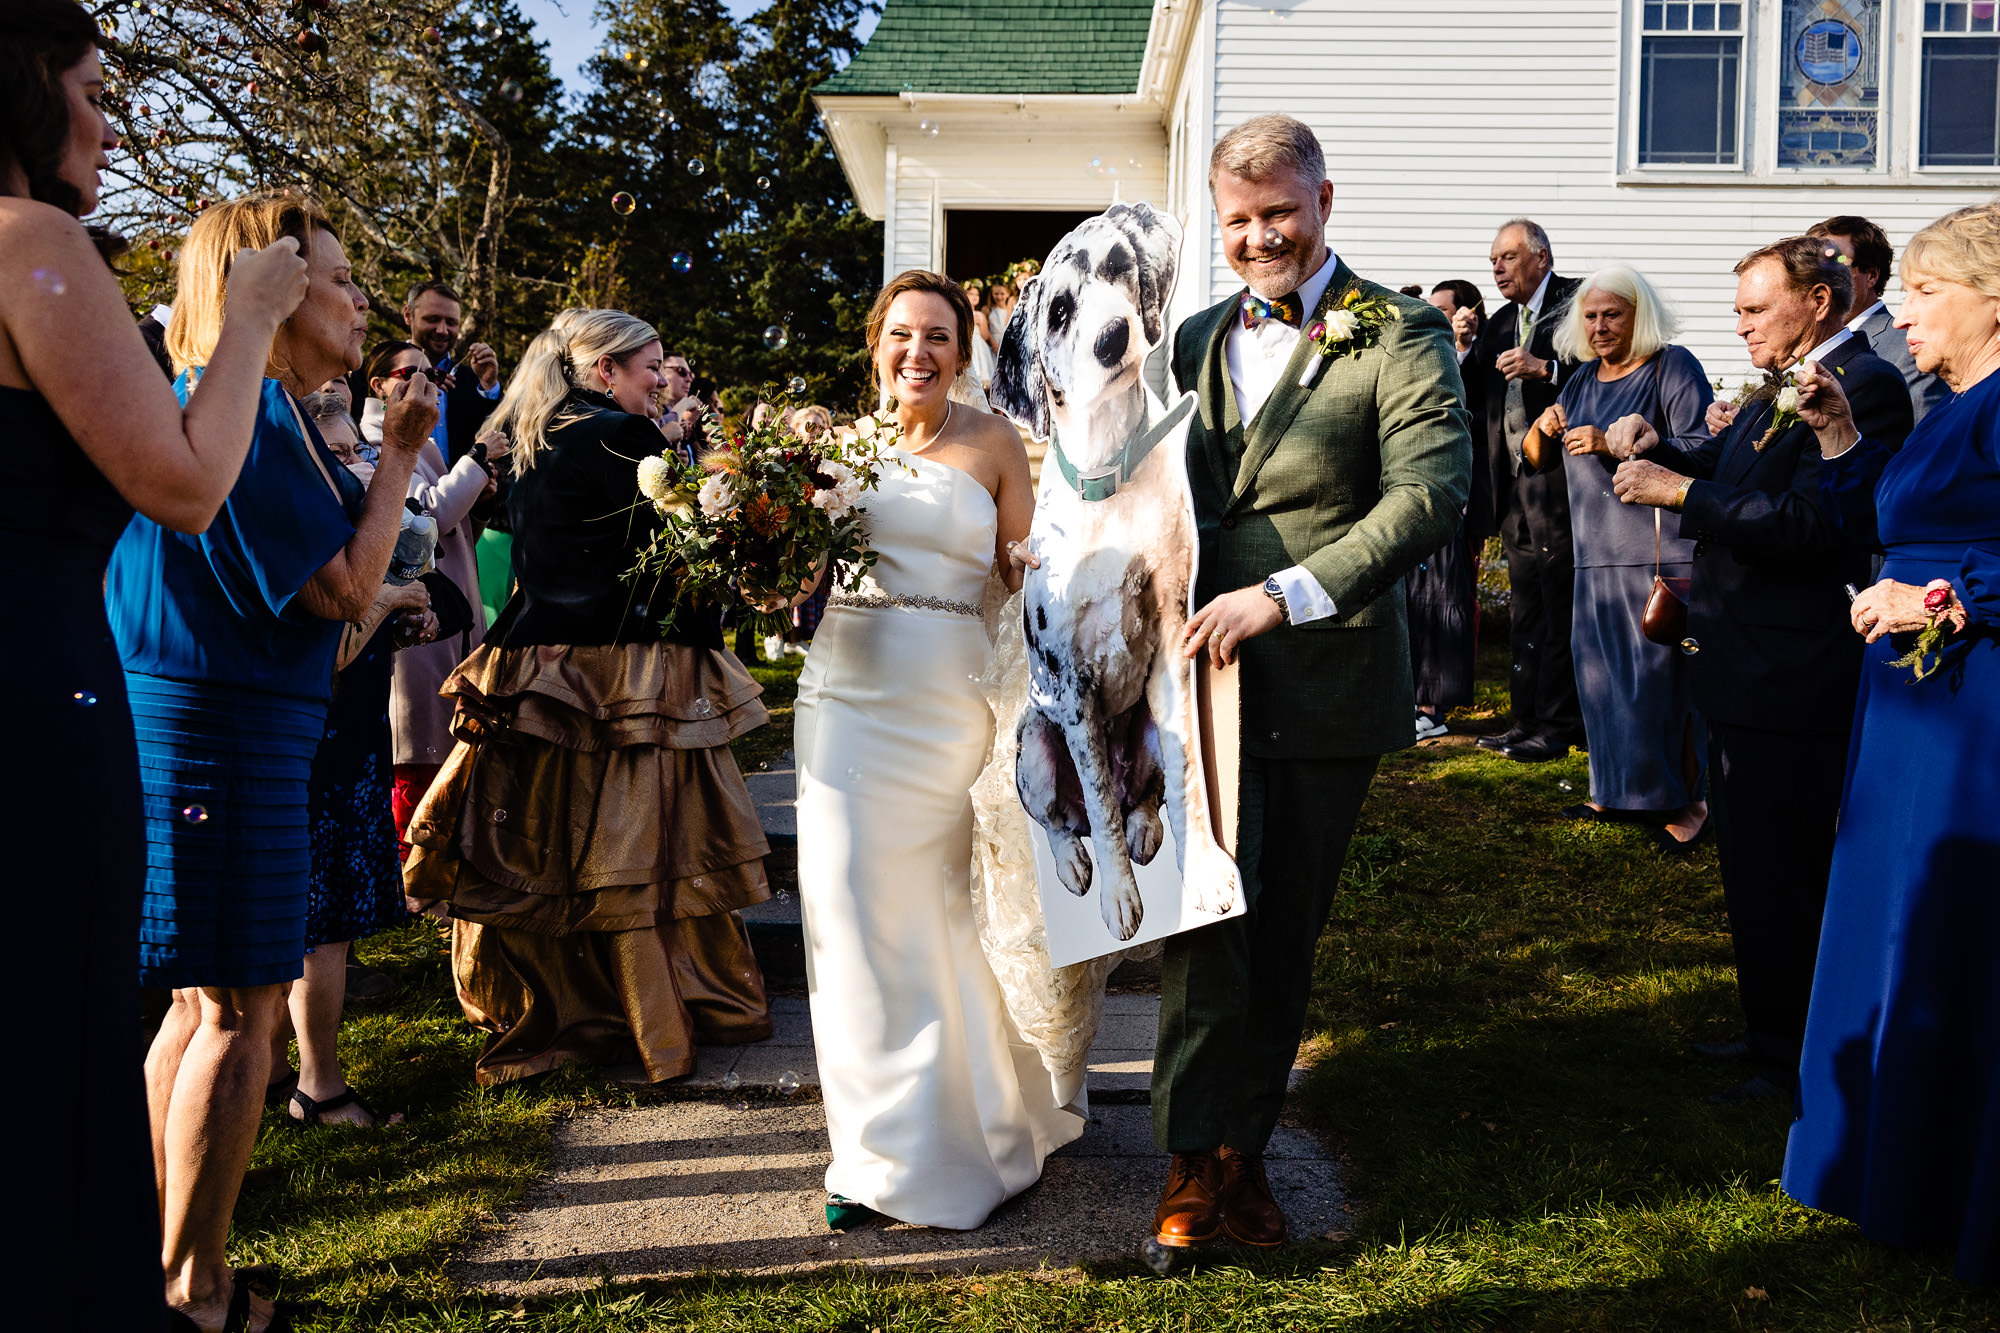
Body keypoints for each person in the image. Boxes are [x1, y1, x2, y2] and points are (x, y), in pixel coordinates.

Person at [0, 11, 307, 1327]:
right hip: (36, 700)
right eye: (92, 92)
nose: (111, 124)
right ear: (23, 93)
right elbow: (183, 484)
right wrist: (245, 320)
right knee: (51, 1034)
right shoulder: (29, 244)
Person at [108, 191, 434, 1333]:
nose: (355, 300)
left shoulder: (258, 414)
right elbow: (345, 590)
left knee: (204, 1007)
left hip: (230, 722)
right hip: (222, 732)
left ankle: (157, 1263)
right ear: (275, 293)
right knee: (240, 1010)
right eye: (335, 278)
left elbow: (330, 610)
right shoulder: (240, 413)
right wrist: (396, 458)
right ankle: (194, 1291)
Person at [1152, 115, 1470, 1250]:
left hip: (1321, 680)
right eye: (1234, 221)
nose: (1255, 238)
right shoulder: (1185, 338)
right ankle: (1186, 1162)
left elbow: (1427, 495)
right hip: (1190, 682)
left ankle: (1244, 1157)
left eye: (1275, 213)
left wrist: (1282, 593)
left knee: (1280, 930)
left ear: (1323, 201)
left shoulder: (1401, 331)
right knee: (1199, 927)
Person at [403, 309, 775, 1085]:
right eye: (649, 366)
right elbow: (669, 556)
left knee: (553, 847)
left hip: (538, 660)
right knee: (632, 849)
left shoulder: (540, 431)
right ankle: (648, 1010)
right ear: (606, 370)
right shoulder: (624, 437)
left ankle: (567, 1001)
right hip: (617, 667)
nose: (657, 381)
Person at [1604, 236, 1913, 1104]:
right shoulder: (1784, 380)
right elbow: (1740, 468)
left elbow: (1823, 525)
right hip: (1738, 658)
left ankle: (1800, 1058)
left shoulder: (1868, 387)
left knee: (1791, 868)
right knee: (1751, 864)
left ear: (1818, 302)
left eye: (1753, 309)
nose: (1738, 327)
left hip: (1792, 665)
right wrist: (1660, 441)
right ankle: (1767, 1028)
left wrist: (1682, 497)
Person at [793, 269, 1054, 1231]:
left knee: (943, 916)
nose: (919, 352)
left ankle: (971, 1128)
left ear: (963, 348)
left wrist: (1054, 558)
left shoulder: (993, 443)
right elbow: (795, 570)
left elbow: (1023, 569)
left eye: (938, 335)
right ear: (876, 344)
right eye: (902, 333)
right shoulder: (836, 446)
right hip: (841, 694)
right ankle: (867, 1151)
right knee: (844, 911)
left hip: (947, 702)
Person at [1779, 202, 2000, 1286]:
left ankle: (1954, 1181)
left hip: (1973, 715)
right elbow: (1888, 516)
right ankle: (1889, 1165)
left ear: (1988, 297)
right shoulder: (1949, 404)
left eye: (1920, 291)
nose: (1898, 313)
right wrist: (1834, 438)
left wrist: (1947, 598)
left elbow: (1954, 561)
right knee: (1894, 918)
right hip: (1908, 714)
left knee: (1953, 931)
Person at [1522, 265, 1712, 850]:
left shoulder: (1671, 365)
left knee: (1665, 686)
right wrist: (1542, 424)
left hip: (1660, 556)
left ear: (1639, 315)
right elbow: (1536, 460)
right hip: (1595, 554)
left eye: (1614, 314)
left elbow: (1704, 450)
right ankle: (1616, 791)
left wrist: (1610, 442)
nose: (1601, 326)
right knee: (1602, 682)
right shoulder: (1580, 379)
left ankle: (1693, 804)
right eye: (1592, 316)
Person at [288, 499, 438, 1128]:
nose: (354, 461)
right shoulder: (309, 525)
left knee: (322, 926)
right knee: (322, 927)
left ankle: (276, 1068)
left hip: (352, 738)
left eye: (358, 448)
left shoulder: (348, 530)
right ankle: (319, 1086)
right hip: (323, 747)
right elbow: (329, 647)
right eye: (342, 449)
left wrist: (403, 618)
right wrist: (392, 600)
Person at [377, 339, 504, 852]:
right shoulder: (371, 437)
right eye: (412, 373)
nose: (428, 382)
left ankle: (440, 860)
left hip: (449, 610)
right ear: (380, 384)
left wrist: (480, 496)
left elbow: (452, 523)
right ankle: (413, 870)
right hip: (415, 615)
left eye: (433, 375)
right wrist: (476, 459)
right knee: (418, 745)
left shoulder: (424, 442)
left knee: (447, 741)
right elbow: (423, 519)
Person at [1464, 219, 1584, 762]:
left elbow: (1604, 370)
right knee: (1525, 607)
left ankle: (1559, 726)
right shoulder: (1500, 322)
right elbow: (1475, 397)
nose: (1497, 268)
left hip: (1561, 483)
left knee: (1560, 604)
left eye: (1508, 257)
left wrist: (1546, 368)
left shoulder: (1579, 302)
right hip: (1512, 487)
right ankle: (1524, 719)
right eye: (1493, 259)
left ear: (1540, 256)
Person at [1405, 278, 1490, 735]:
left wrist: (1461, 344)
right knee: (1417, 601)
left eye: (1443, 309)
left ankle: (1433, 708)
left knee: (1444, 598)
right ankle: (1416, 698)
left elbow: (1467, 409)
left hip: (1454, 497)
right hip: (1417, 490)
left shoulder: (1474, 357)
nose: (1433, 315)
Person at [1807, 215, 1950, 421]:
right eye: (1813, 267)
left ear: (1872, 275)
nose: (1820, 277)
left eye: (1835, 263)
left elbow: (1918, 440)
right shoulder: (1805, 347)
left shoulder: (1908, 347)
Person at [402, 278, 500, 463]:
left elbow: (500, 436)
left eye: (451, 322)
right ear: (408, 315)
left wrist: (489, 385)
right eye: (432, 319)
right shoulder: (381, 372)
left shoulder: (471, 380)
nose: (442, 330)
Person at [1428, 278, 1484, 365]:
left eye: (1440, 310)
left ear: (1466, 312)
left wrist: (1463, 346)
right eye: (1429, 309)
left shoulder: (1489, 347)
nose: (1430, 315)